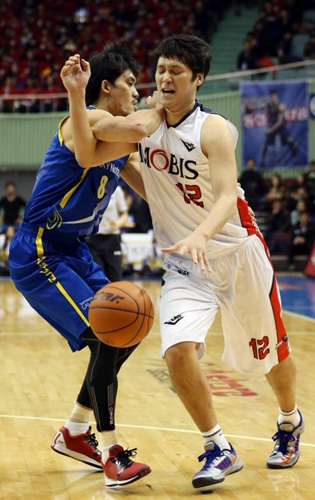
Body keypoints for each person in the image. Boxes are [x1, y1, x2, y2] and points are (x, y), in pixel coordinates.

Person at [69, 34, 304, 490]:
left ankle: (290, 422)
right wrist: (77, 99)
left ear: (198, 79)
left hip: (236, 254)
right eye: (160, 69)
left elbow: (223, 198)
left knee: (269, 355)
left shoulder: (214, 129)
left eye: (176, 71)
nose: (164, 77)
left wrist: (200, 232)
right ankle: (218, 447)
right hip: (183, 264)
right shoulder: (144, 128)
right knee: (177, 352)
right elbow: (92, 154)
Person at [9, 44, 164, 487]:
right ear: (107, 87)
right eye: (132, 84)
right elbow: (136, 125)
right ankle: (111, 449)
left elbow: (152, 190)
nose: (138, 92)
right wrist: (165, 106)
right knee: (104, 334)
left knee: (128, 330)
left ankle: (76, 429)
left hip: (74, 248)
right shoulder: (94, 121)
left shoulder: (117, 144)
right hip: (39, 250)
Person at [87, 185, 128, 282]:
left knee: (115, 279)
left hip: (112, 239)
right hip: (92, 240)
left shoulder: (116, 189)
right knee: (97, 279)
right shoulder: (87, 186)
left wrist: (118, 223)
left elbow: (124, 215)